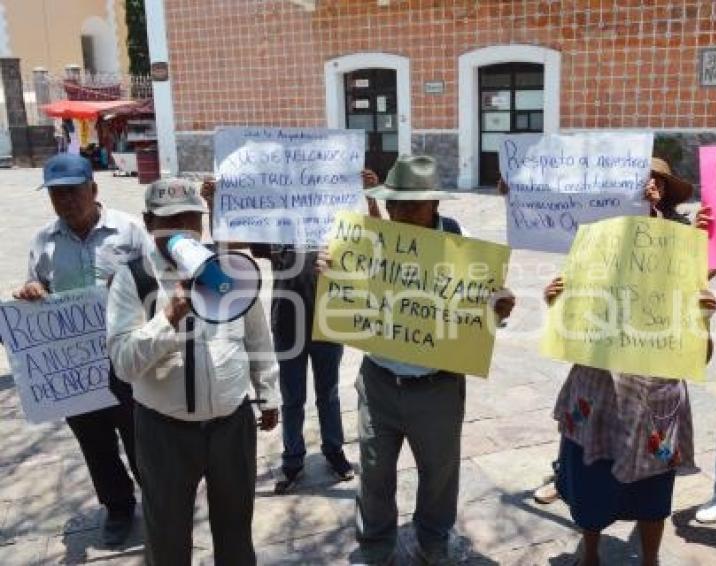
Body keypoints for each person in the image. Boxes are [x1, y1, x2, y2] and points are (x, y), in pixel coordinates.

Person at [318, 155, 516, 564]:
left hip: (437, 387)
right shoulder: (371, 241)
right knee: (374, 473)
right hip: (379, 382)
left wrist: (500, 306)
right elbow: (346, 297)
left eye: (412, 204)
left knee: (439, 475)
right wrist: (331, 271)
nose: (401, 212)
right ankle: (375, 545)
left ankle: (433, 539)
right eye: (395, 203)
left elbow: (484, 306)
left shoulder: (460, 240)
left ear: (434, 205)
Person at [106, 178, 281, 565]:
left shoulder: (227, 269)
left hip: (231, 425)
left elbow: (256, 337)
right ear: (149, 223)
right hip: (165, 432)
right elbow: (123, 362)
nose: (183, 231)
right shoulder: (133, 278)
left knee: (236, 529)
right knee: (167, 534)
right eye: (171, 221)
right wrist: (168, 317)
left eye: (191, 220)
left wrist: (268, 393)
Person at [547, 161, 714, 566]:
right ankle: (590, 553)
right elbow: (569, 329)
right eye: (637, 185)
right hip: (598, 390)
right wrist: (557, 302)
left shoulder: (682, 250)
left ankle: (651, 558)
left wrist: (703, 316)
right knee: (591, 484)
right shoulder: (594, 248)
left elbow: (701, 352)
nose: (646, 191)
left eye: (653, 184)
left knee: (654, 491)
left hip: (654, 395)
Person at [199, 170, 381, 494]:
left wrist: (369, 194)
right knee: (293, 398)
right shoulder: (276, 230)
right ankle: (292, 461)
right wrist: (213, 202)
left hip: (328, 324)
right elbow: (225, 241)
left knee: (328, 394)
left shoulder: (337, 229)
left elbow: (378, 239)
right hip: (288, 326)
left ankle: (334, 452)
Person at [14, 153, 148, 545]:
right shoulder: (44, 241)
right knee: (94, 442)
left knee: (141, 434)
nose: (66, 201)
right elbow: (32, 290)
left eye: (73, 192)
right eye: (57, 195)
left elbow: (158, 285)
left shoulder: (130, 230)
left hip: (127, 356)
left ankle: (158, 500)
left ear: (93, 189)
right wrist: (31, 293)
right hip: (74, 367)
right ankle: (118, 507)